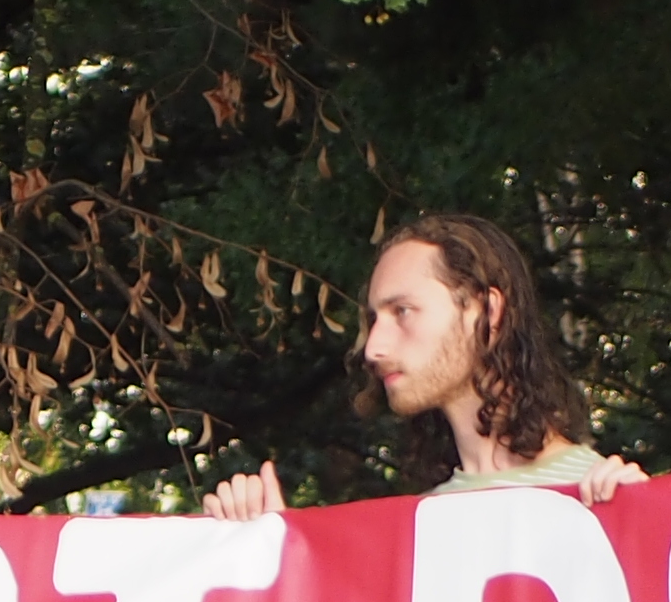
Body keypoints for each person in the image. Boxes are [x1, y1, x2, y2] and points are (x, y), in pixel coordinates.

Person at [203, 213, 638, 515]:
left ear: (486, 312)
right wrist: (278, 549)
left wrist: (642, 524)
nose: (373, 348)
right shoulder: (423, 523)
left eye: (403, 311)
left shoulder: (597, 493)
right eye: (375, 319)